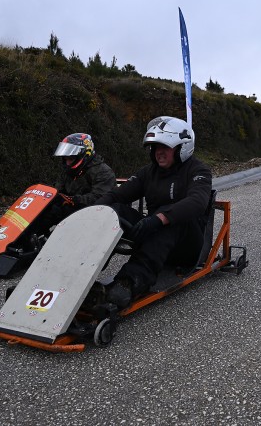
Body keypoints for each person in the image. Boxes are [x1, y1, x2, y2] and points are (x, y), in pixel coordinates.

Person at [96, 116, 213, 309]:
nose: (158, 153)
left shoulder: (198, 170)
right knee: (113, 210)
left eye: (164, 147)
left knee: (173, 220)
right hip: (155, 237)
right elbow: (117, 195)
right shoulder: (149, 172)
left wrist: (159, 219)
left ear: (182, 148)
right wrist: (92, 212)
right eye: (155, 147)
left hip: (188, 246)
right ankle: (78, 274)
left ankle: (128, 283)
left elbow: (198, 202)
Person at [46, 133, 116, 227]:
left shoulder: (103, 172)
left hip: (95, 216)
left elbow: (100, 198)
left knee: (58, 211)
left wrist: (72, 200)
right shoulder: (68, 171)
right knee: (46, 210)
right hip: (73, 211)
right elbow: (57, 190)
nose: (67, 163)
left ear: (84, 154)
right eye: (65, 159)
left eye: (70, 158)